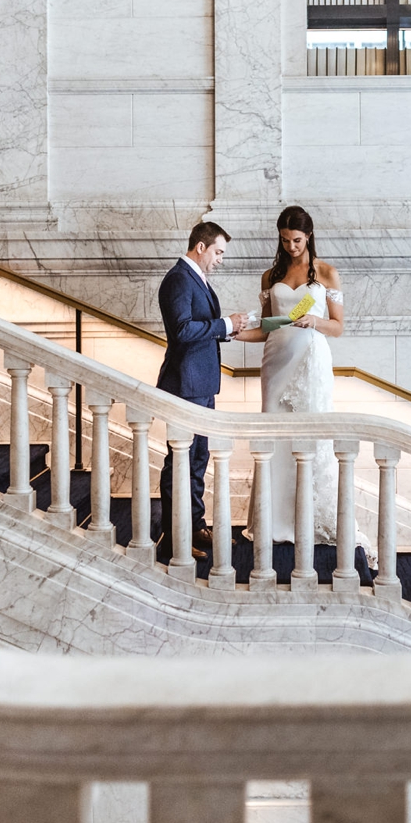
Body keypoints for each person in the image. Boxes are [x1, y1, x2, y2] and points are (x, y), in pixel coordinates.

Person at [235, 206, 371, 563]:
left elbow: (339, 326)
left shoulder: (326, 273)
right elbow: (267, 326)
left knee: (310, 435)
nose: (291, 246)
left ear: (308, 236)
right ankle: (272, 520)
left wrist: (316, 320)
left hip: (311, 361)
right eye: (284, 240)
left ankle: (308, 520)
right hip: (275, 359)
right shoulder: (270, 276)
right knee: (274, 439)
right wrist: (231, 334)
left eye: (296, 240)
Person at [156, 221, 246, 557]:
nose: (220, 259)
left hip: (201, 383)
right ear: (201, 247)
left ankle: (194, 527)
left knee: (197, 459)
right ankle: (176, 535)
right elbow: (181, 330)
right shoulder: (179, 278)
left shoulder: (197, 279)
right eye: (219, 252)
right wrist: (224, 324)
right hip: (184, 384)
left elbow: (199, 329)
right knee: (180, 461)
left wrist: (230, 330)